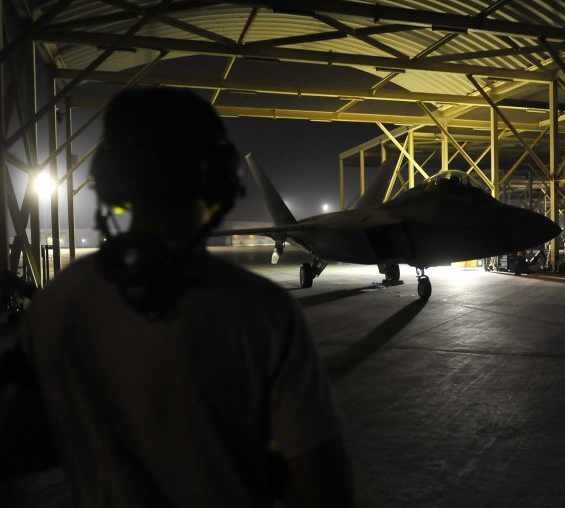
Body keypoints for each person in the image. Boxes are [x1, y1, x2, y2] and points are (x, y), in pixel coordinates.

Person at [15, 88, 353, 507]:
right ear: (220, 180)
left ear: (110, 182)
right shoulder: (264, 313)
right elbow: (326, 491)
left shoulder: (55, 306)